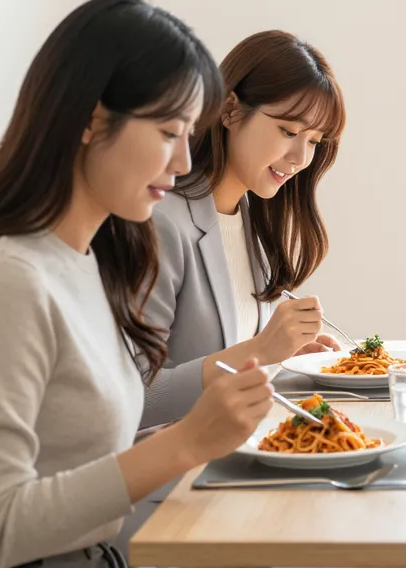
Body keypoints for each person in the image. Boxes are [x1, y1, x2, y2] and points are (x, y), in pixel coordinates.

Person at [0, 0, 273, 568]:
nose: (184, 162)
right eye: (171, 131)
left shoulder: (92, 263)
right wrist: (187, 441)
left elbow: (78, 464)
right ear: (93, 120)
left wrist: (209, 440)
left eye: (190, 135)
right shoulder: (4, 281)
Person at [141, 30, 347, 430]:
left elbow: (242, 366)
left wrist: (288, 359)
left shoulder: (251, 217)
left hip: (243, 457)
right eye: (288, 131)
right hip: (177, 477)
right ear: (231, 110)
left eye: (314, 141)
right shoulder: (162, 223)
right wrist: (260, 350)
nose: (301, 158)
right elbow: (134, 399)